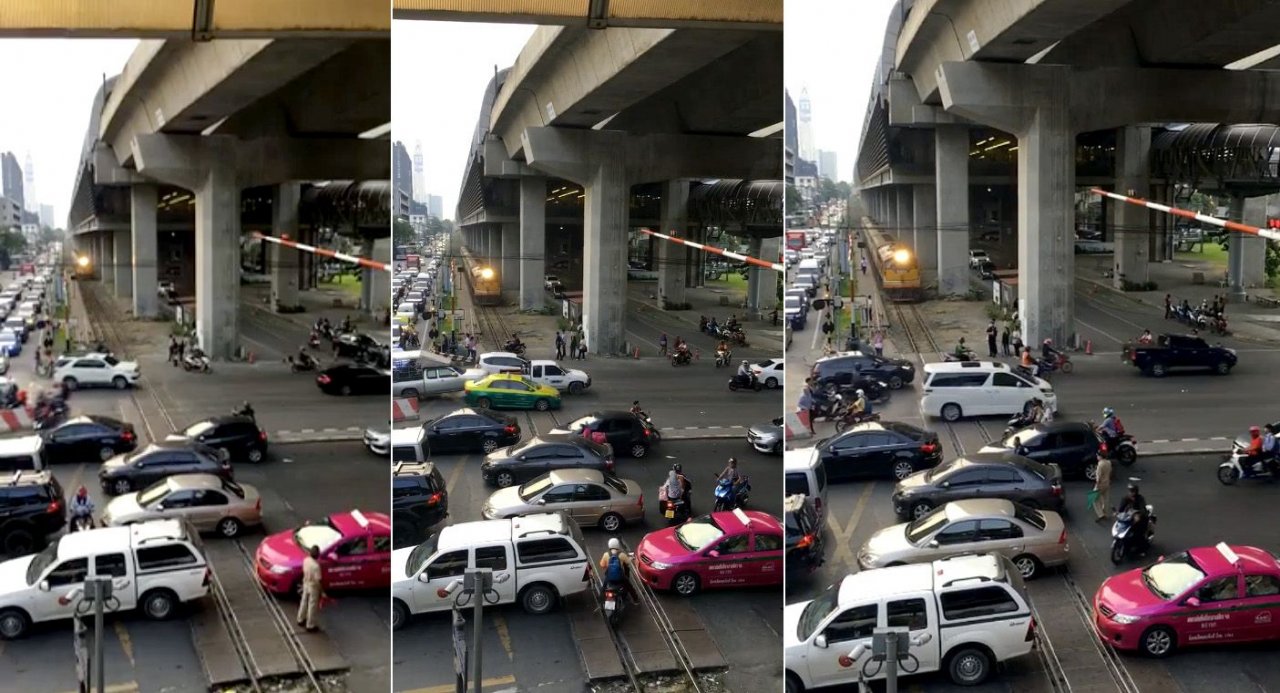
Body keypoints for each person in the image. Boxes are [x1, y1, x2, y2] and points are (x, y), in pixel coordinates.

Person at [296, 545, 325, 632]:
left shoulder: (306, 560)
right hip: (313, 586)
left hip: (306, 583)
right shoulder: (316, 566)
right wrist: (322, 591)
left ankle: (300, 619)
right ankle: (310, 625)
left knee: (304, 602)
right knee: (312, 605)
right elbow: (318, 581)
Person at [1116, 483, 1150, 554]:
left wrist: (1138, 515)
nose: (1131, 493)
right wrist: (1117, 513)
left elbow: (1143, 510)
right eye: (1130, 491)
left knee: (1138, 534)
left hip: (1140, 519)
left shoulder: (1140, 499)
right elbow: (1121, 508)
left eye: (1132, 491)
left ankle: (1142, 550)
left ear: (1136, 491)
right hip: (1129, 518)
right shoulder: (1125, 498)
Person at [1093, 449, 1113, 522]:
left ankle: (1100, 514)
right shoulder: (1108, 462)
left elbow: (1098, 477)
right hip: (1107, 482)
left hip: (1101, 484)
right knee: (1105, 498)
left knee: (1094, 499)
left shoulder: (1100, 465)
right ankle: (1105, 513)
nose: (1097, 457)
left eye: (1097, 456)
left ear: (1100, 456)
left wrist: (1096, 486)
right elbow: (1110, 472)